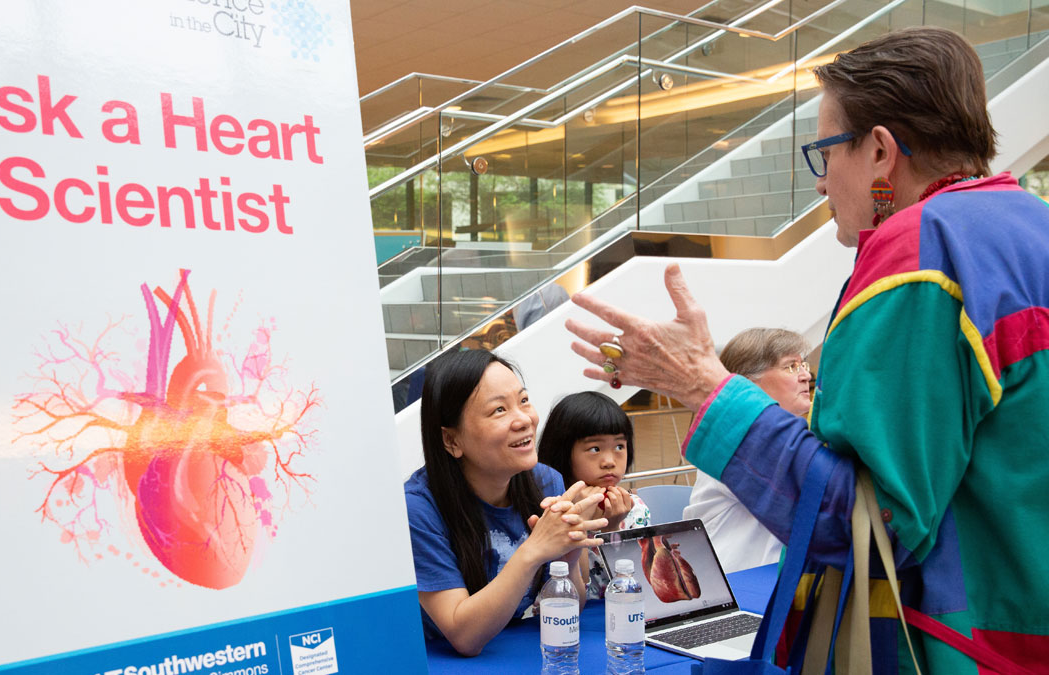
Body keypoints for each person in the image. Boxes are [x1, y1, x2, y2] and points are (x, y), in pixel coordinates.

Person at [564, 26, 1049, 673]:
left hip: (961, 645)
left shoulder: (922, 255)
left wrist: (706, 387)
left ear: (880, 151)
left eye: (825, 154)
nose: (822, 186)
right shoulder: (1029, 226)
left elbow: (862, 526)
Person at [405, 349, 607, 656]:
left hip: (510, 650)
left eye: (523, 401)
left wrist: (568, 551)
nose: (524, 419)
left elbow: (570, 607)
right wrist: (535, 550)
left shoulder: (546, 483)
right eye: (499, 410)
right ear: (451, 441)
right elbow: (464, 638)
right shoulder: (418, 509)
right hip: (434, 659)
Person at [681, 328, 810, 572]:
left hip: (775, 581)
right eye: (791, 367)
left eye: (804, 365)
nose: (806, 375)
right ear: (749, 385)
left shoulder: (796, 436)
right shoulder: (733, 440)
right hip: (734, 587)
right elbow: (809, 493)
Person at [538, 391, 651, 598]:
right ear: (563, 451)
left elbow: (639, 582)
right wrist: (577, 522)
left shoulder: (635, 508)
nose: (609, 461)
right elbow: (565, 590)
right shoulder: (551, 511)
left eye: (619, 446)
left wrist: (614, 528)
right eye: (595, 448)